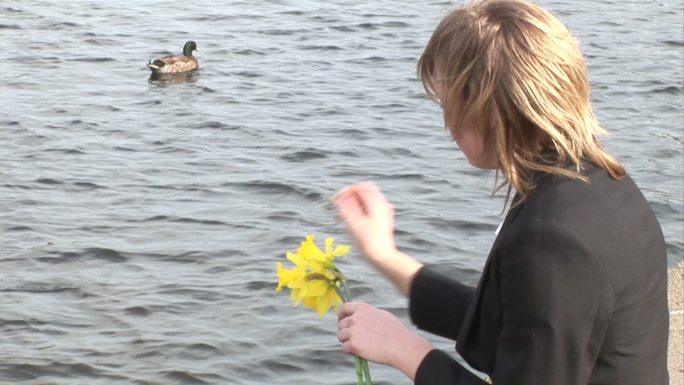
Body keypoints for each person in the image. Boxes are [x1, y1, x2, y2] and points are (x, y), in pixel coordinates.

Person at [332, 0, 670, 384]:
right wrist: (385, 256)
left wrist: (406, 352)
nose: (448, 127)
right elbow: (518, 325)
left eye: (451, 106)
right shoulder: (604, 184)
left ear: (490, 112)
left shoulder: (552, 238)